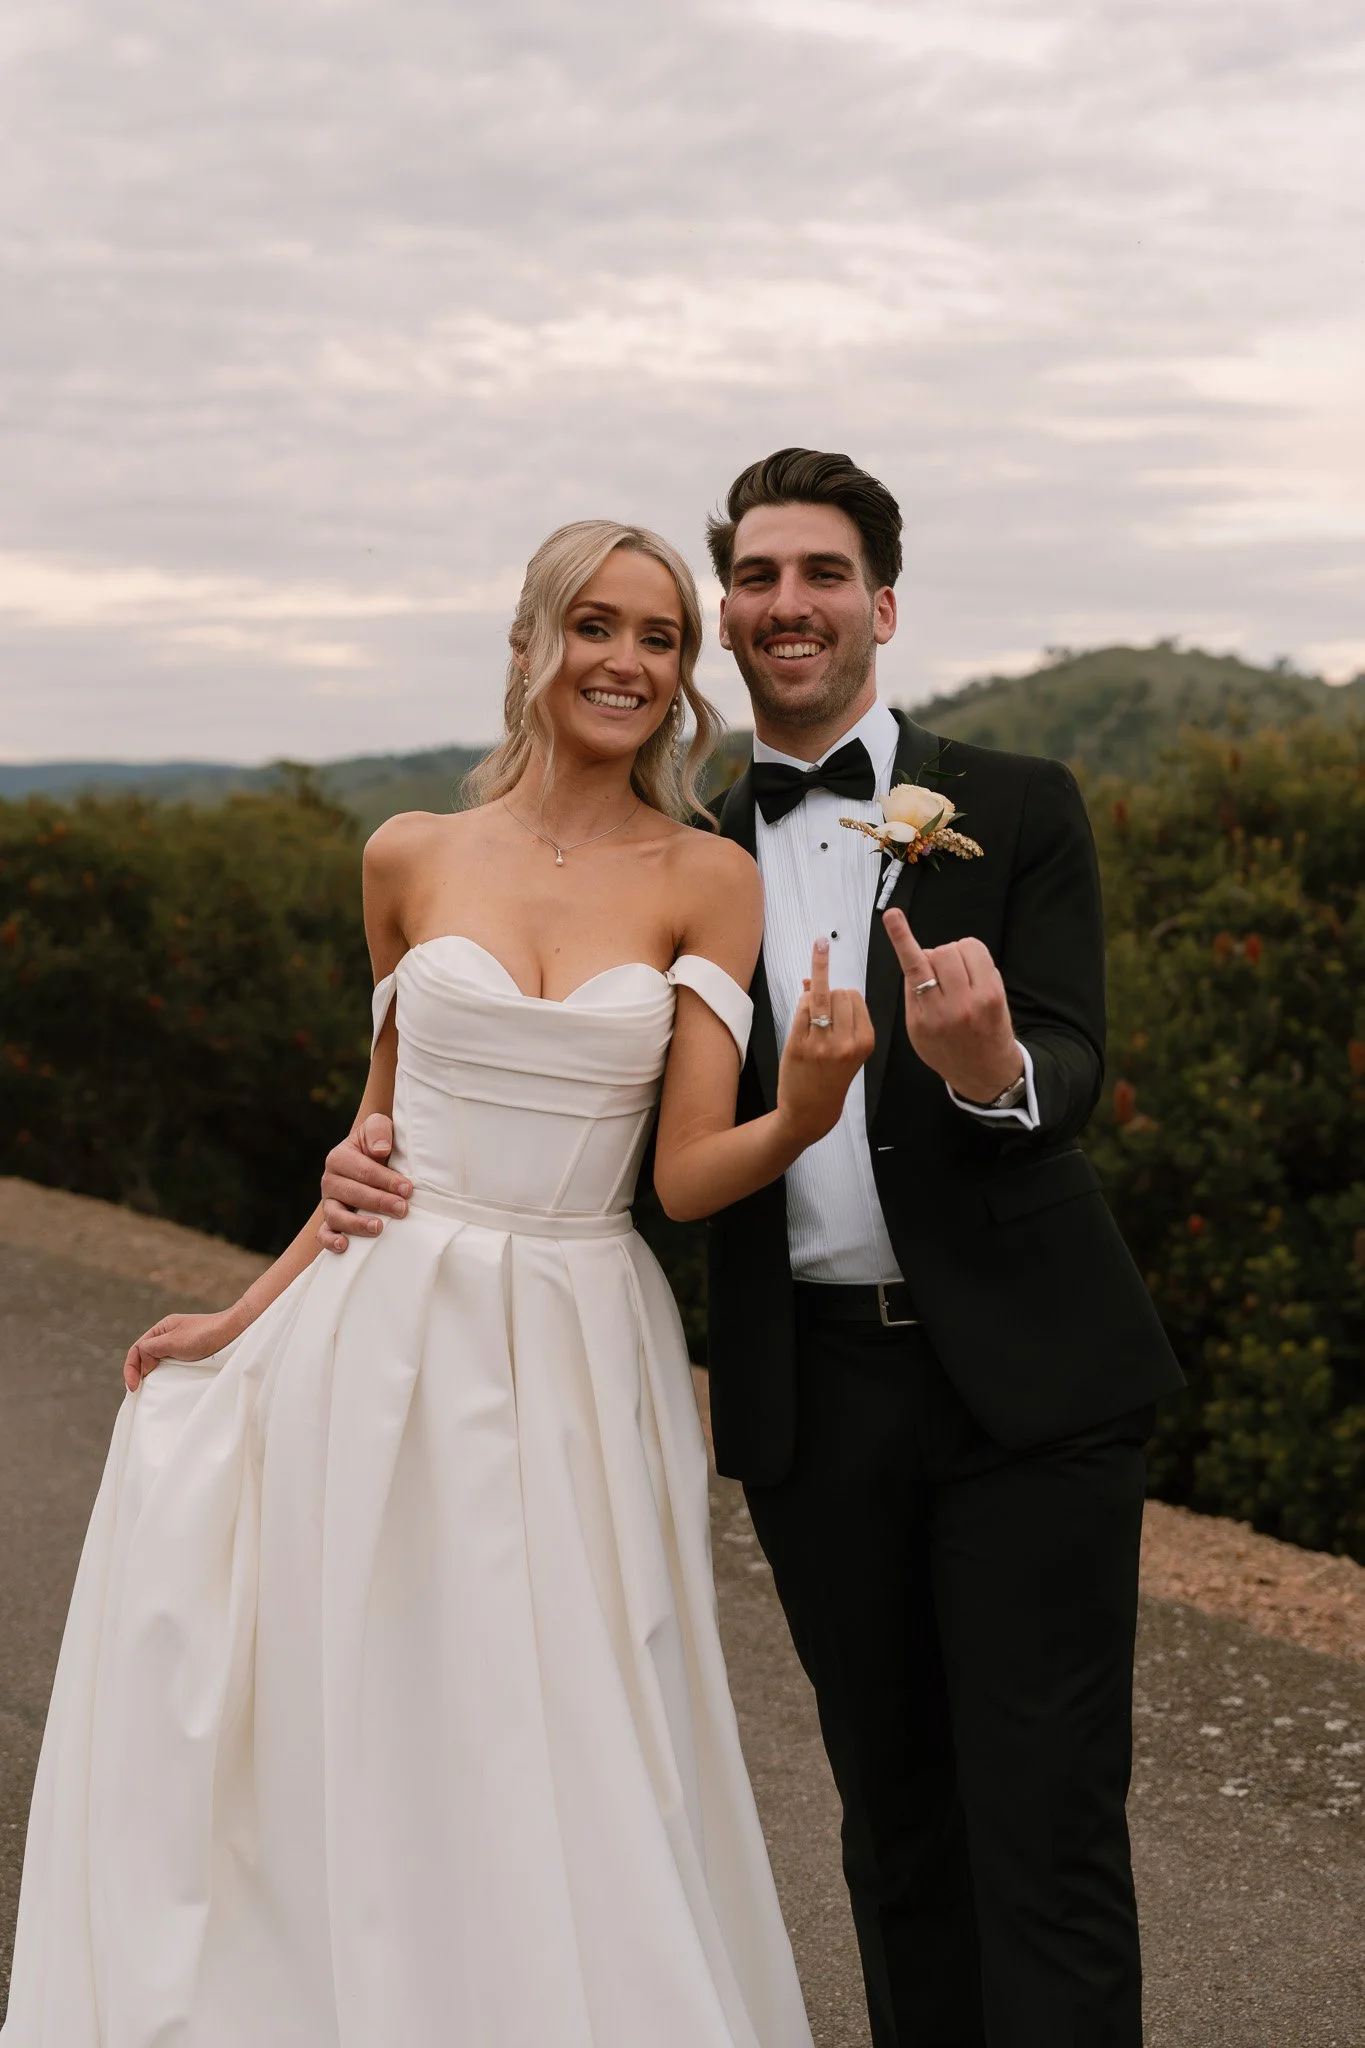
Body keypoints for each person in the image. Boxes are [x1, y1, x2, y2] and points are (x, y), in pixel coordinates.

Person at [323, 453, 1187, 2048]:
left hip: (1032, 1390)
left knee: (1049, 1831)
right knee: (893, 1829)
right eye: (761, 576)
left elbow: (1067, 1064)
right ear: (728, 616)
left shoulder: (1018, 804)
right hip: (810, 1399)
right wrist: (381, 1140)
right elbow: (603, 1130)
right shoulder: (681, 854)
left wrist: (989, 1070)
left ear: (882, 605)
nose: (789, 603)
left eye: (823, 573)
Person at [2, 519, 882, 2046]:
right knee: (366, 1702)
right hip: (377, 1325)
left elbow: (679, 1180)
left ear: (684, 683)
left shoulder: (708, 877)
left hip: (575, 1339)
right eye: (597, 626)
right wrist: (240, 1315)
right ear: (535, 644)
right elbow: (377, 1138)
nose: (627, 660)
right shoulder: (404, 854)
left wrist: (803, 1113)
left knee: (569, 1723)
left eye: (661, 639)